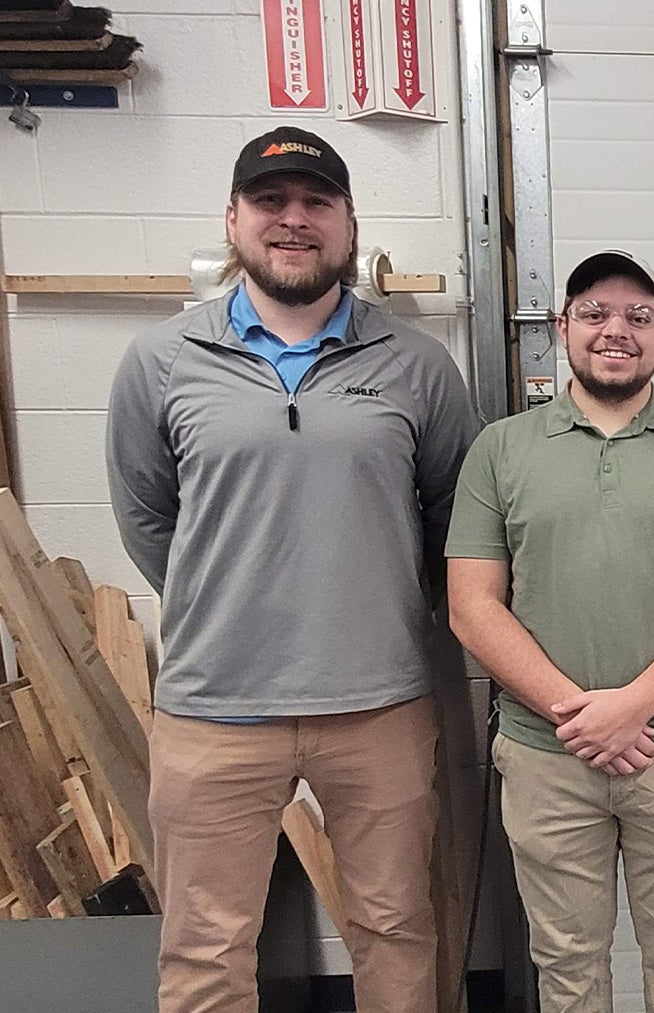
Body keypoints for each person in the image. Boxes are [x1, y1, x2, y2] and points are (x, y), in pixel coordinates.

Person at [105, 125, 479, 1012]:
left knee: (395, 929)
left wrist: (372, 603)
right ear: (233, 220)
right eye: (271, 203)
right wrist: (231, 600)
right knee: (205, 947)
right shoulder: (161, 364)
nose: (294, 220)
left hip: (379, 705)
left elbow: (452, 524)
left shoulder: (418, 367)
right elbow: (149, 517)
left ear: (349, 223)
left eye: (317, 203)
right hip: (214, 710)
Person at [446, 249, 654, 1011]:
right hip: (547, 754)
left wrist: (632, 707)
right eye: (594, 312)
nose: (616, 330)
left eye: (637, 316)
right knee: (566, 962)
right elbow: (472, 606)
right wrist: (581, 715)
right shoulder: (501, 449)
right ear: (562, 327)